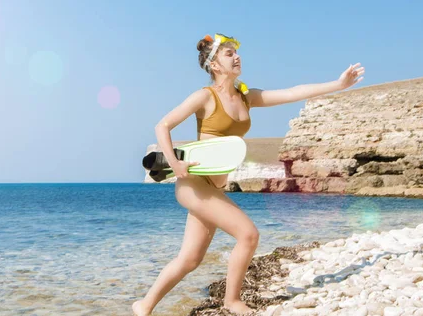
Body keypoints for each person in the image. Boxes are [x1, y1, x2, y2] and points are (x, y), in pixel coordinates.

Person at [132, 34, 364, 316]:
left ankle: (143, 306)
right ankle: (232, 301)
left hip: (214, 189)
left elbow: (294, 91)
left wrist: (338, 84)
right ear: (214, 65)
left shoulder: (247, 97)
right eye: (229, 54)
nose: (236, 57)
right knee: (248, 235)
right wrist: (175, 164)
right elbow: (162, 126)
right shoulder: (205, 97)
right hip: (194, 185)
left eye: (235, 53)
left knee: (190, 259)